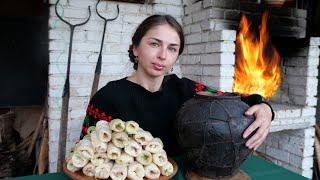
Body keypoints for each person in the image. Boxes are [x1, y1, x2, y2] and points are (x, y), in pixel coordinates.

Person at [80, 14, 274, 158]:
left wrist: (265, 108)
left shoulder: (186, 89)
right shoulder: (107, 98)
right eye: (155, 44)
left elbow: (232, 98)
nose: (163, 55)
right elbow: (85, 155)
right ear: (135, 48)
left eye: (172, 48)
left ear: (176, 57)